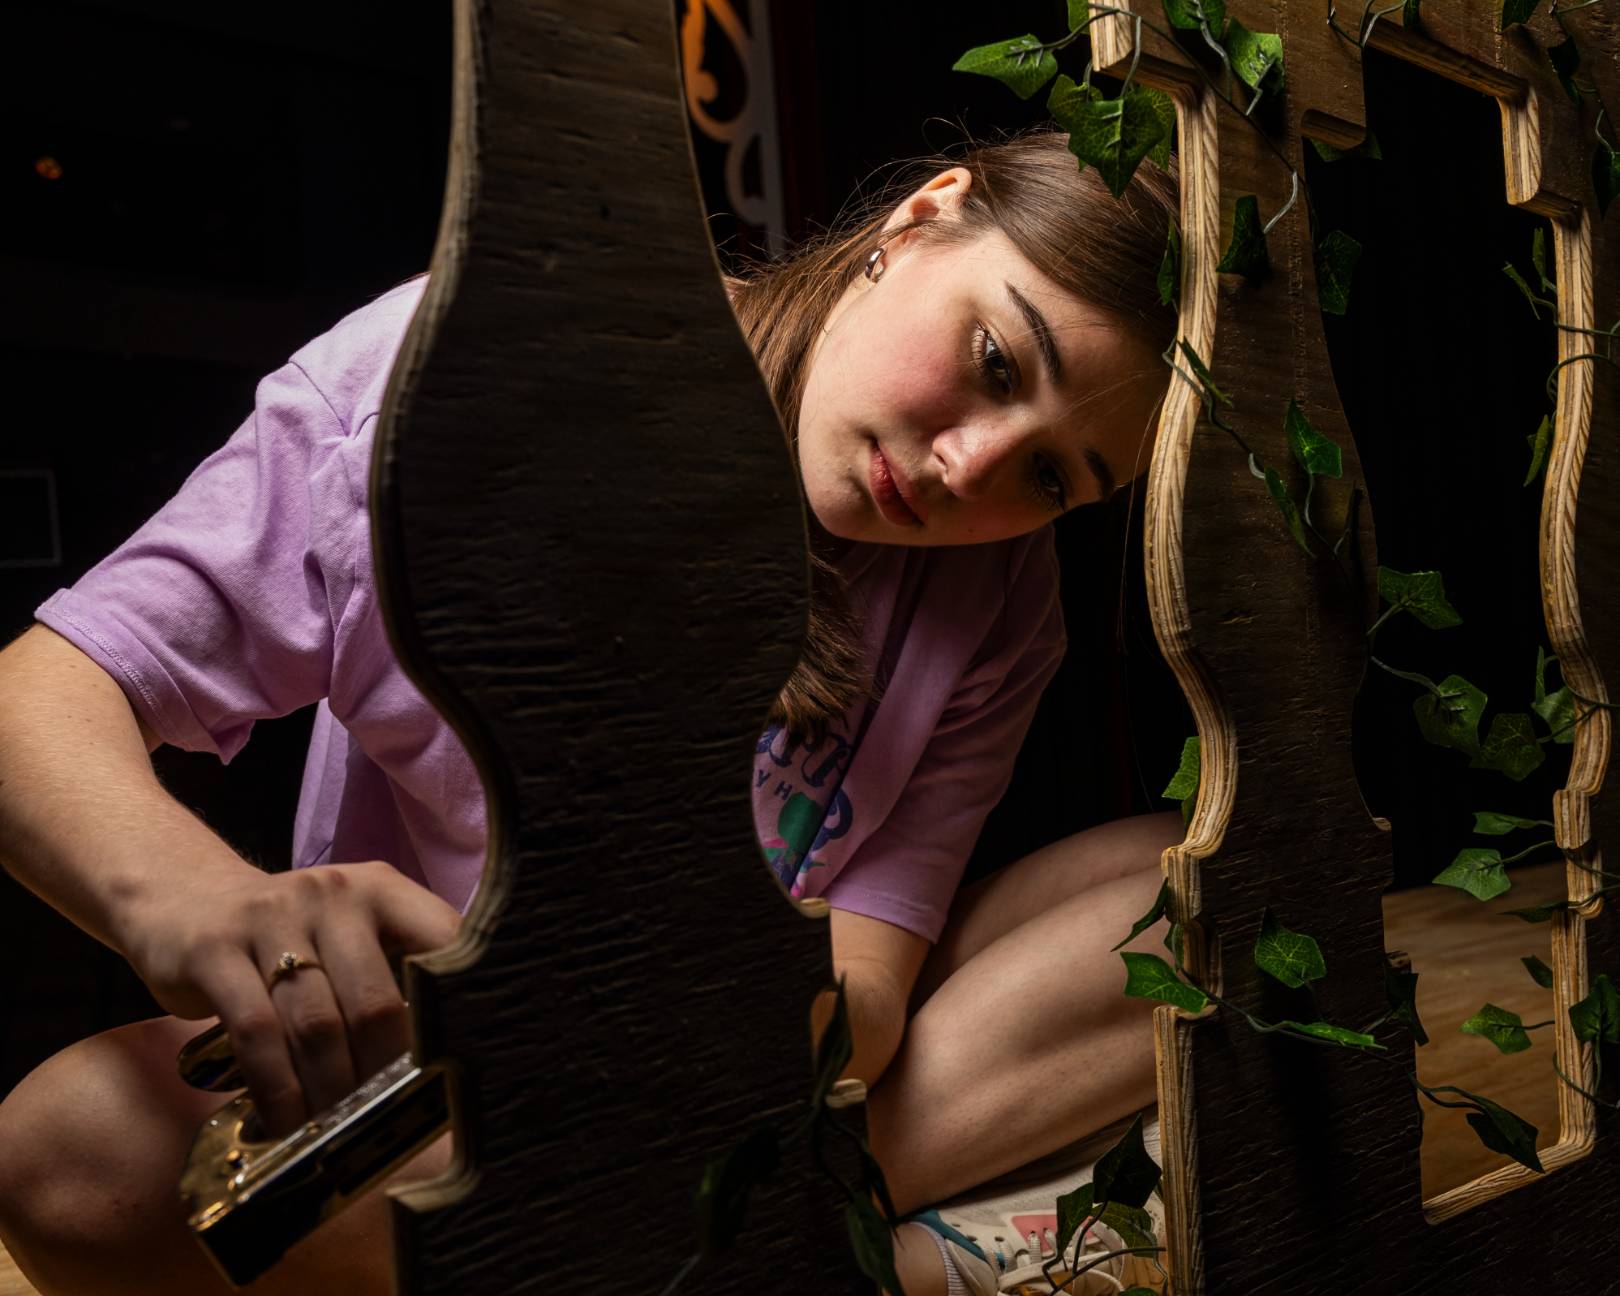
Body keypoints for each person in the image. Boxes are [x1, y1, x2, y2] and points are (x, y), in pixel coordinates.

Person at [0, 127, 1179, 1296]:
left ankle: (734, 1241)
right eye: (995, 360)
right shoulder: (465, 368)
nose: (970, 468)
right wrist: (202, 902)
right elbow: (41, 692)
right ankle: (791, 1243)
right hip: (443, 1092)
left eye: (1050, 477)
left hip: (731, 1075)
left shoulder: (1003, 594)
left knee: (1191, 890)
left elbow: (864, 996)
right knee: (73, 1152)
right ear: (921, 218)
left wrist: (611, 992)